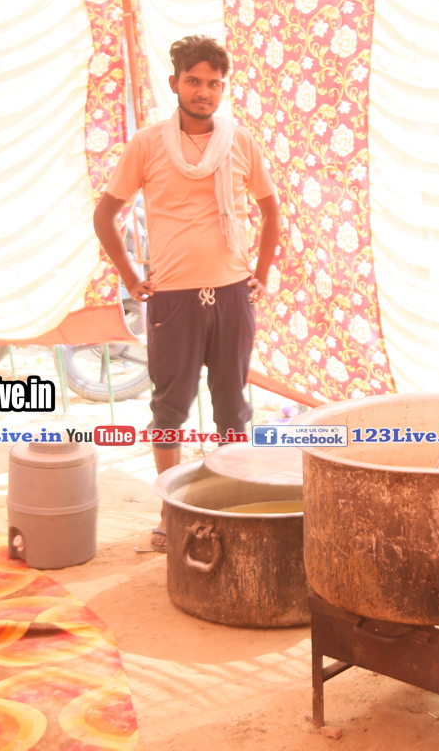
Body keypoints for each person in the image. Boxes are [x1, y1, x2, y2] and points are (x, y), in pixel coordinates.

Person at [93, 35, 280, 551]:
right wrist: (132, 278)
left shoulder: (240, 142)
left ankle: (232, 500)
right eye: (194, 81)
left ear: (223, 88)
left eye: (214, 83)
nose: (204, 92)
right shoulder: (147, 144)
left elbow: (270, 210)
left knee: (233, 408)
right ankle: (169, 509)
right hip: (173, 298)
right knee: (170, 406)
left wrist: (260, 272)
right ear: (174, 82)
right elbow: (105, 216)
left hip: (233, 294)